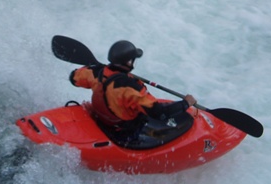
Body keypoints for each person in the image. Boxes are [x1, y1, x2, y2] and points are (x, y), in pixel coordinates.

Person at [69, 40, 197, 146]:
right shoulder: (130, 88)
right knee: (146, 118)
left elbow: (73, 78)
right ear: (129, 62)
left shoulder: (96, 73)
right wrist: (186, 103)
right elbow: (159, 113)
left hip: (103, 120)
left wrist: (96, 67)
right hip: (123, 132)